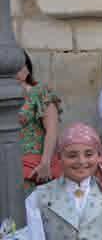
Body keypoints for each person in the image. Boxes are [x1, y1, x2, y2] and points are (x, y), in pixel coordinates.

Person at [18, 51, 62, 191]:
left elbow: (52, 130)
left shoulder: (39, 92)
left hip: (34, 163)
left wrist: (45, 162)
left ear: (27, 68)